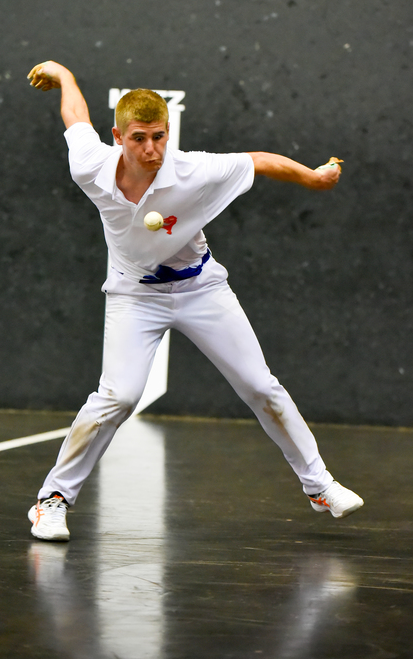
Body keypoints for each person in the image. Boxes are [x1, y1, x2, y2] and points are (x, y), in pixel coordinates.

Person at [26, 60, 363, 541]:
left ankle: (320, 486)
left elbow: (258, 160)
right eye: (139, 138)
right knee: (118, 396)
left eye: (159, 136)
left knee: (261, 386)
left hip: (201, 288)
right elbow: (76, 117)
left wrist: (312, 177)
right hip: (134, 295)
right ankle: (52, 501)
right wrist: (63, 75)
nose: (151, 149)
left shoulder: (193, 170)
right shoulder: (90, 165)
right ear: (118, 137)